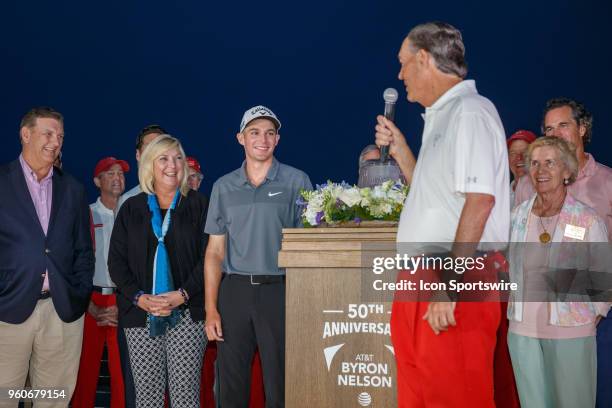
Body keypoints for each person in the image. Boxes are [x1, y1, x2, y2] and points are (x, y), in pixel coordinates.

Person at [374, 22, 510, 407]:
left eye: (403, 63)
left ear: (423, 58)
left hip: (454, 276)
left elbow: (480, 201)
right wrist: (402, 152)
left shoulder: (470, 112)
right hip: (421, 278)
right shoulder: (441, 117)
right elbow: (438, 198)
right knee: (420, 394)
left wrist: (451, 285)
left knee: (456, 394)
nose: (399, 75)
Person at [204, 105, 312, 407]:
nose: (262, 139)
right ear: (240, 138)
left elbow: (307, 247)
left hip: (280, 291)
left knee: (280, 384)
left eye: (269, 133)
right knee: (231, 385)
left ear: (277, 139)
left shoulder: (297, 181)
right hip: (234, 292)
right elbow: (214, 252)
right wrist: (211, 308)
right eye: (254, 132)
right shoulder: (223, 186)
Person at [513, 98, 612, 406]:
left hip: (581, 321)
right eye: (548, 128)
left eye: (563, 125)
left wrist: (593, 313)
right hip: (524, 328)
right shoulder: (520, 205)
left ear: (582, 129)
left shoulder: (602, 190)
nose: (541, 170)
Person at [0, 107, 94, 407]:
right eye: (48, 133)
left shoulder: (74, 189)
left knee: (51, 399)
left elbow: (83, 250)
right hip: (7, 311)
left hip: (61, 312)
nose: (56, 142)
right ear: (25, 134)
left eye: (61, 136)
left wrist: (79, 293)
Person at [109, 134, 209, 407]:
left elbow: (209, 259)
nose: (172, 165)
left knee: (185, 395)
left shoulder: (199, 205)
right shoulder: (131, 208)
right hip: (141, 315)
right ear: (150, 165)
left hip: (187, 314)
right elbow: (116, 263)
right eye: (163, 158)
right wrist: (140, 298)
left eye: (177, 158)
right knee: (147, 397)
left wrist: (182, 295)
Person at [115, 123, 167, 408]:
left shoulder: (184, 199)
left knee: (180, 386)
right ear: (138, 155)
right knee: (138, 388)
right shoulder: (127, 202)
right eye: (149, 146)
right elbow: (117, 262)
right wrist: (136, 297)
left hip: (175, 309)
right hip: (137, 309)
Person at [72, 157, 129, 408]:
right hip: (90, 300)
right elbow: (72, 263)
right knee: (84, 370)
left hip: (123, 300)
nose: (117, 177)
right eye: (110, 173)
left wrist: (127, 301)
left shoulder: (133, 214)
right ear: (97, 181)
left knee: (122, 373)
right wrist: (88, 305)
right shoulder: (85, 214)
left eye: (121, 173)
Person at [507, 130, 537, 206]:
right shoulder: (501, 192)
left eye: (525, 152)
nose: (519, 158)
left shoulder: (542, 191)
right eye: (513, 153)